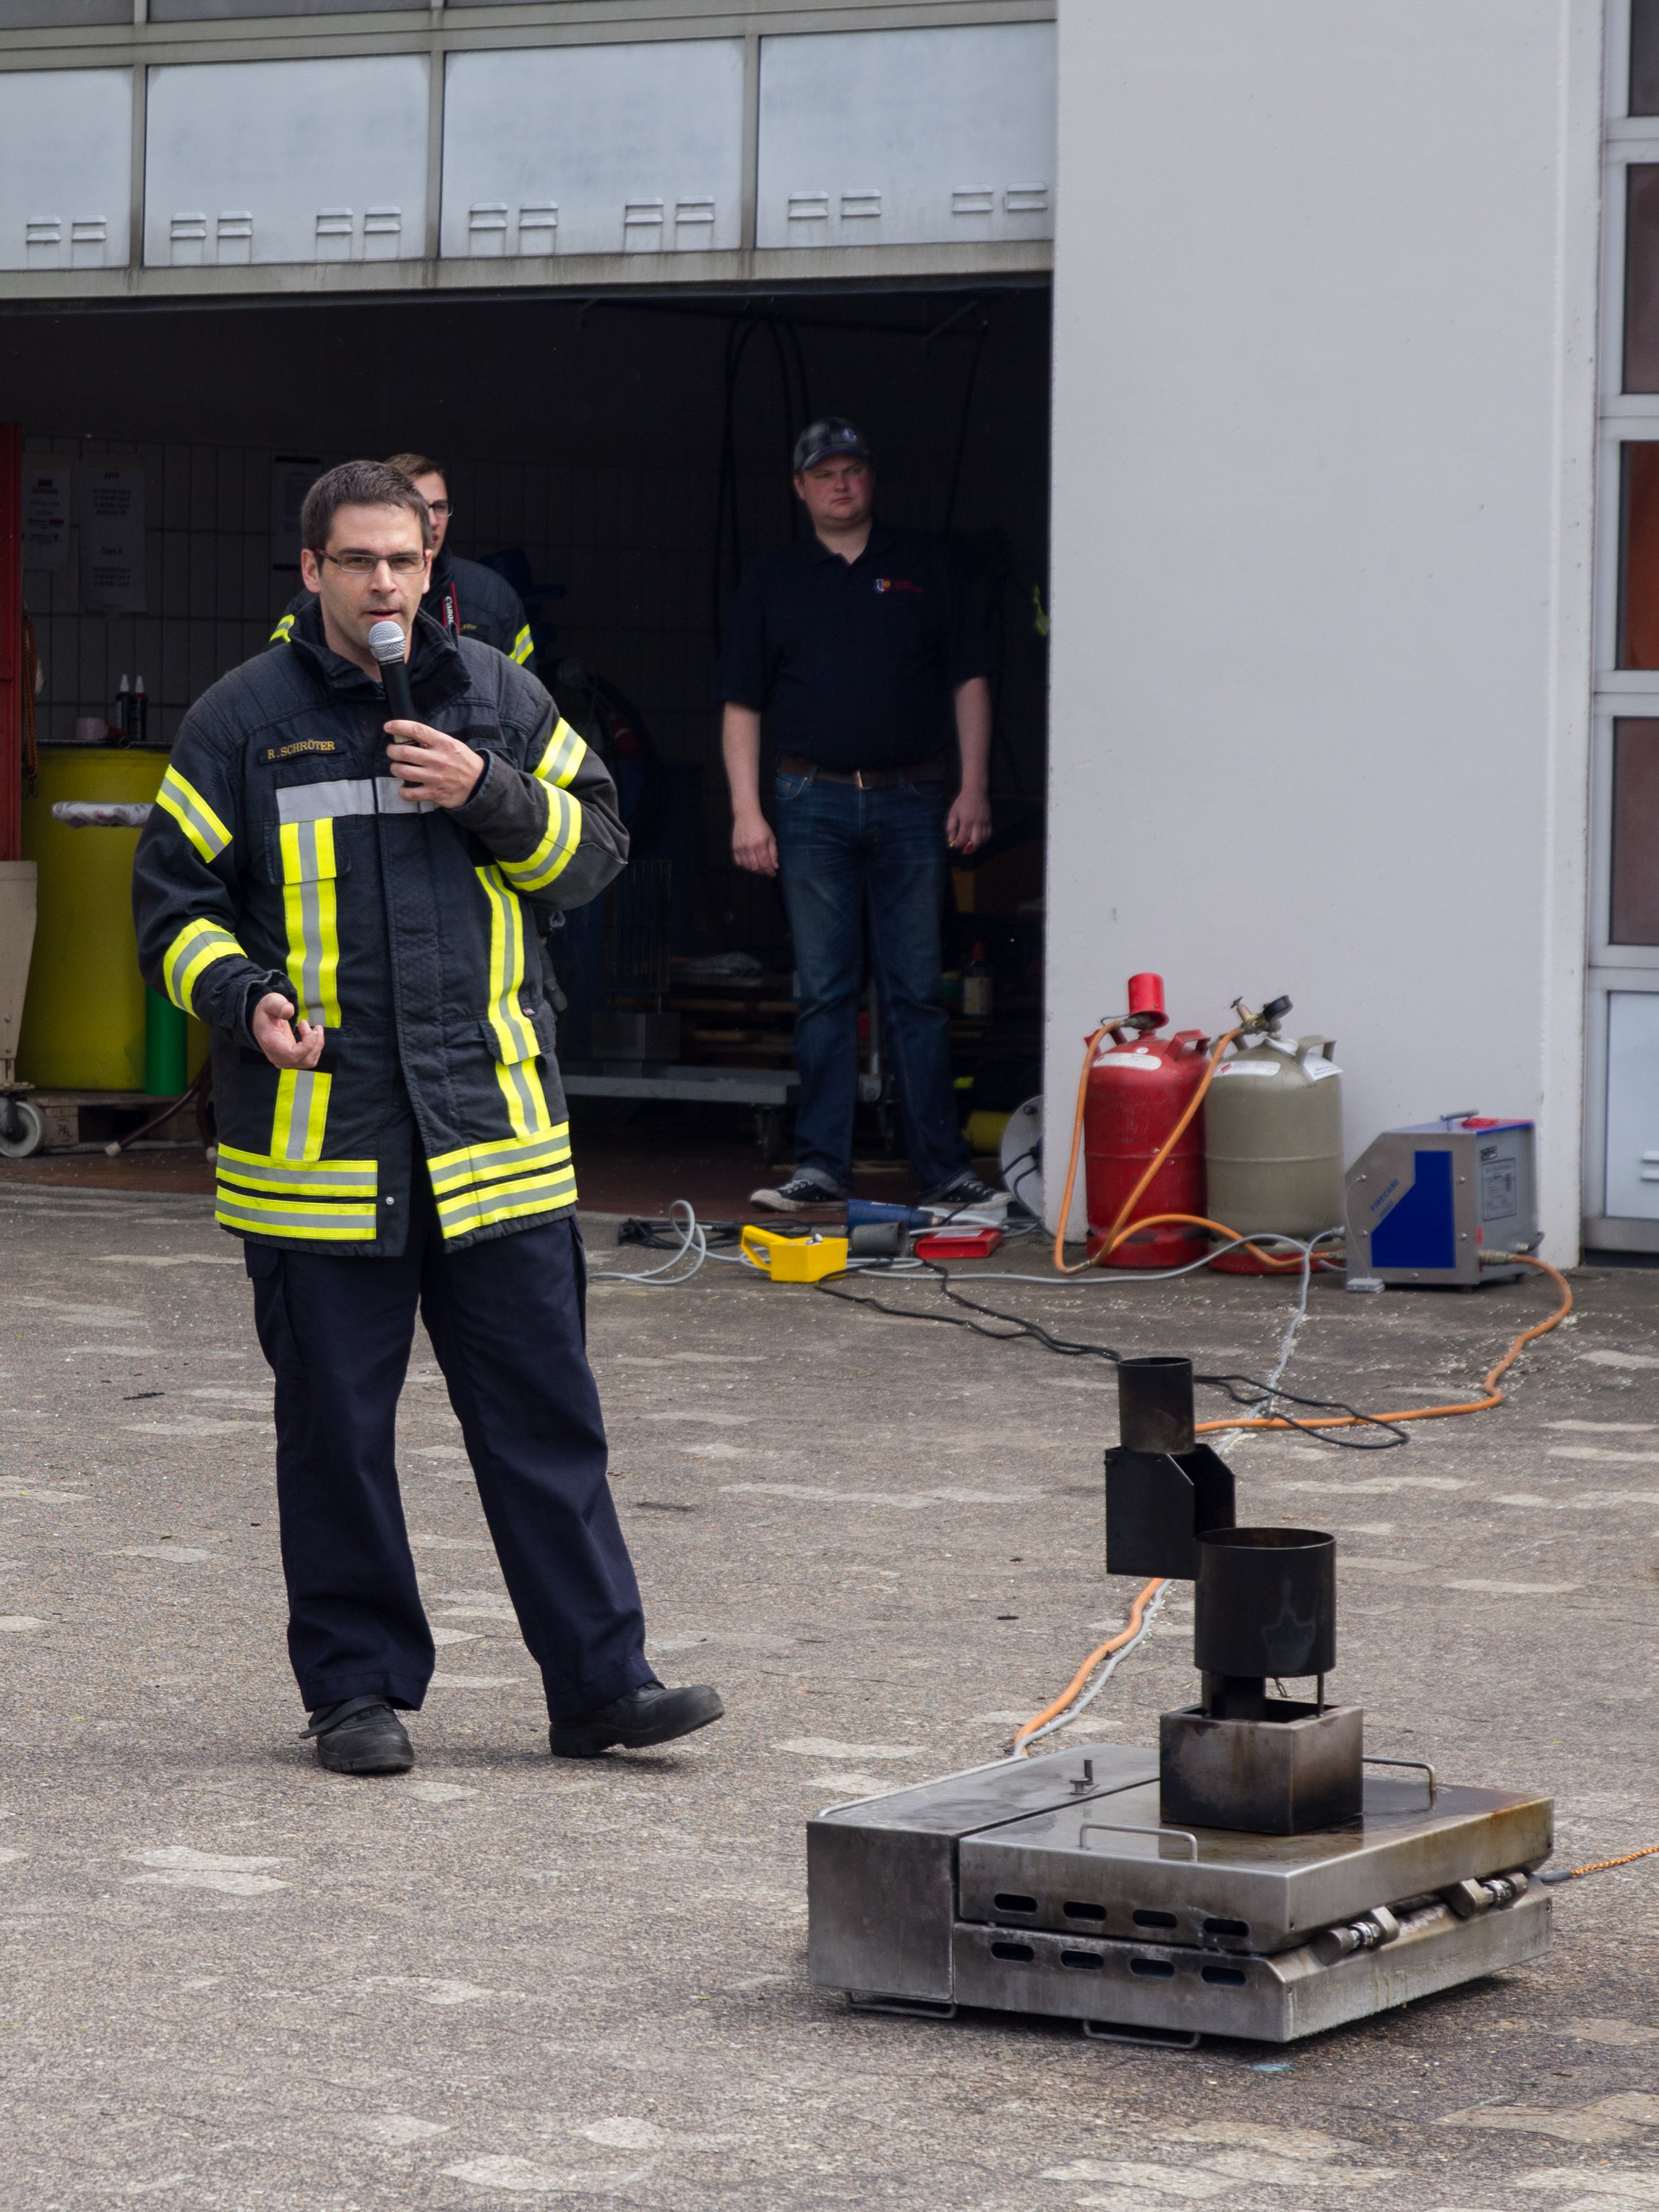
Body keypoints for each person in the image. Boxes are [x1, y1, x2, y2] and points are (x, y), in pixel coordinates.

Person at [134, 459, 721, 1776]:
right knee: (336, 1441)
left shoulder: (501, 701)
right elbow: (171, 910)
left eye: (404, 560)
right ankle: (356, 1693)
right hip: (323, 1154)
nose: (384, 584)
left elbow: (598, 857)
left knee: (547, 1425)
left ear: (431, 565)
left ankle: (602, 1687)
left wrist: (486, 789)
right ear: (312, 572)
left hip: (493, 1144)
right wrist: (243, 997)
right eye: (357, 561)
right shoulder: (240, 720)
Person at [719, 416, 1002, 1212]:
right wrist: (746, 812)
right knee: (825, 993)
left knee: (916, 992)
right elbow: (741, 703)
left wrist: (974, 787)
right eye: (824, 473)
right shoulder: (773, 579)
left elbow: (970, 680)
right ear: (800, 488)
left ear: (871, 477)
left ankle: (942, 1170)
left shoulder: (925, 564)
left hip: (914, 797)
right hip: (809, 800)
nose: (840, 485)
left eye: (851, 470)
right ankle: (820, 1168)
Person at [270, 452, 535, 673]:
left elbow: (522, 699)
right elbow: (275, 686)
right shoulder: (315, 603)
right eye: (418, 506)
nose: (433, 521)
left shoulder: (490, 595)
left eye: (440, 507)